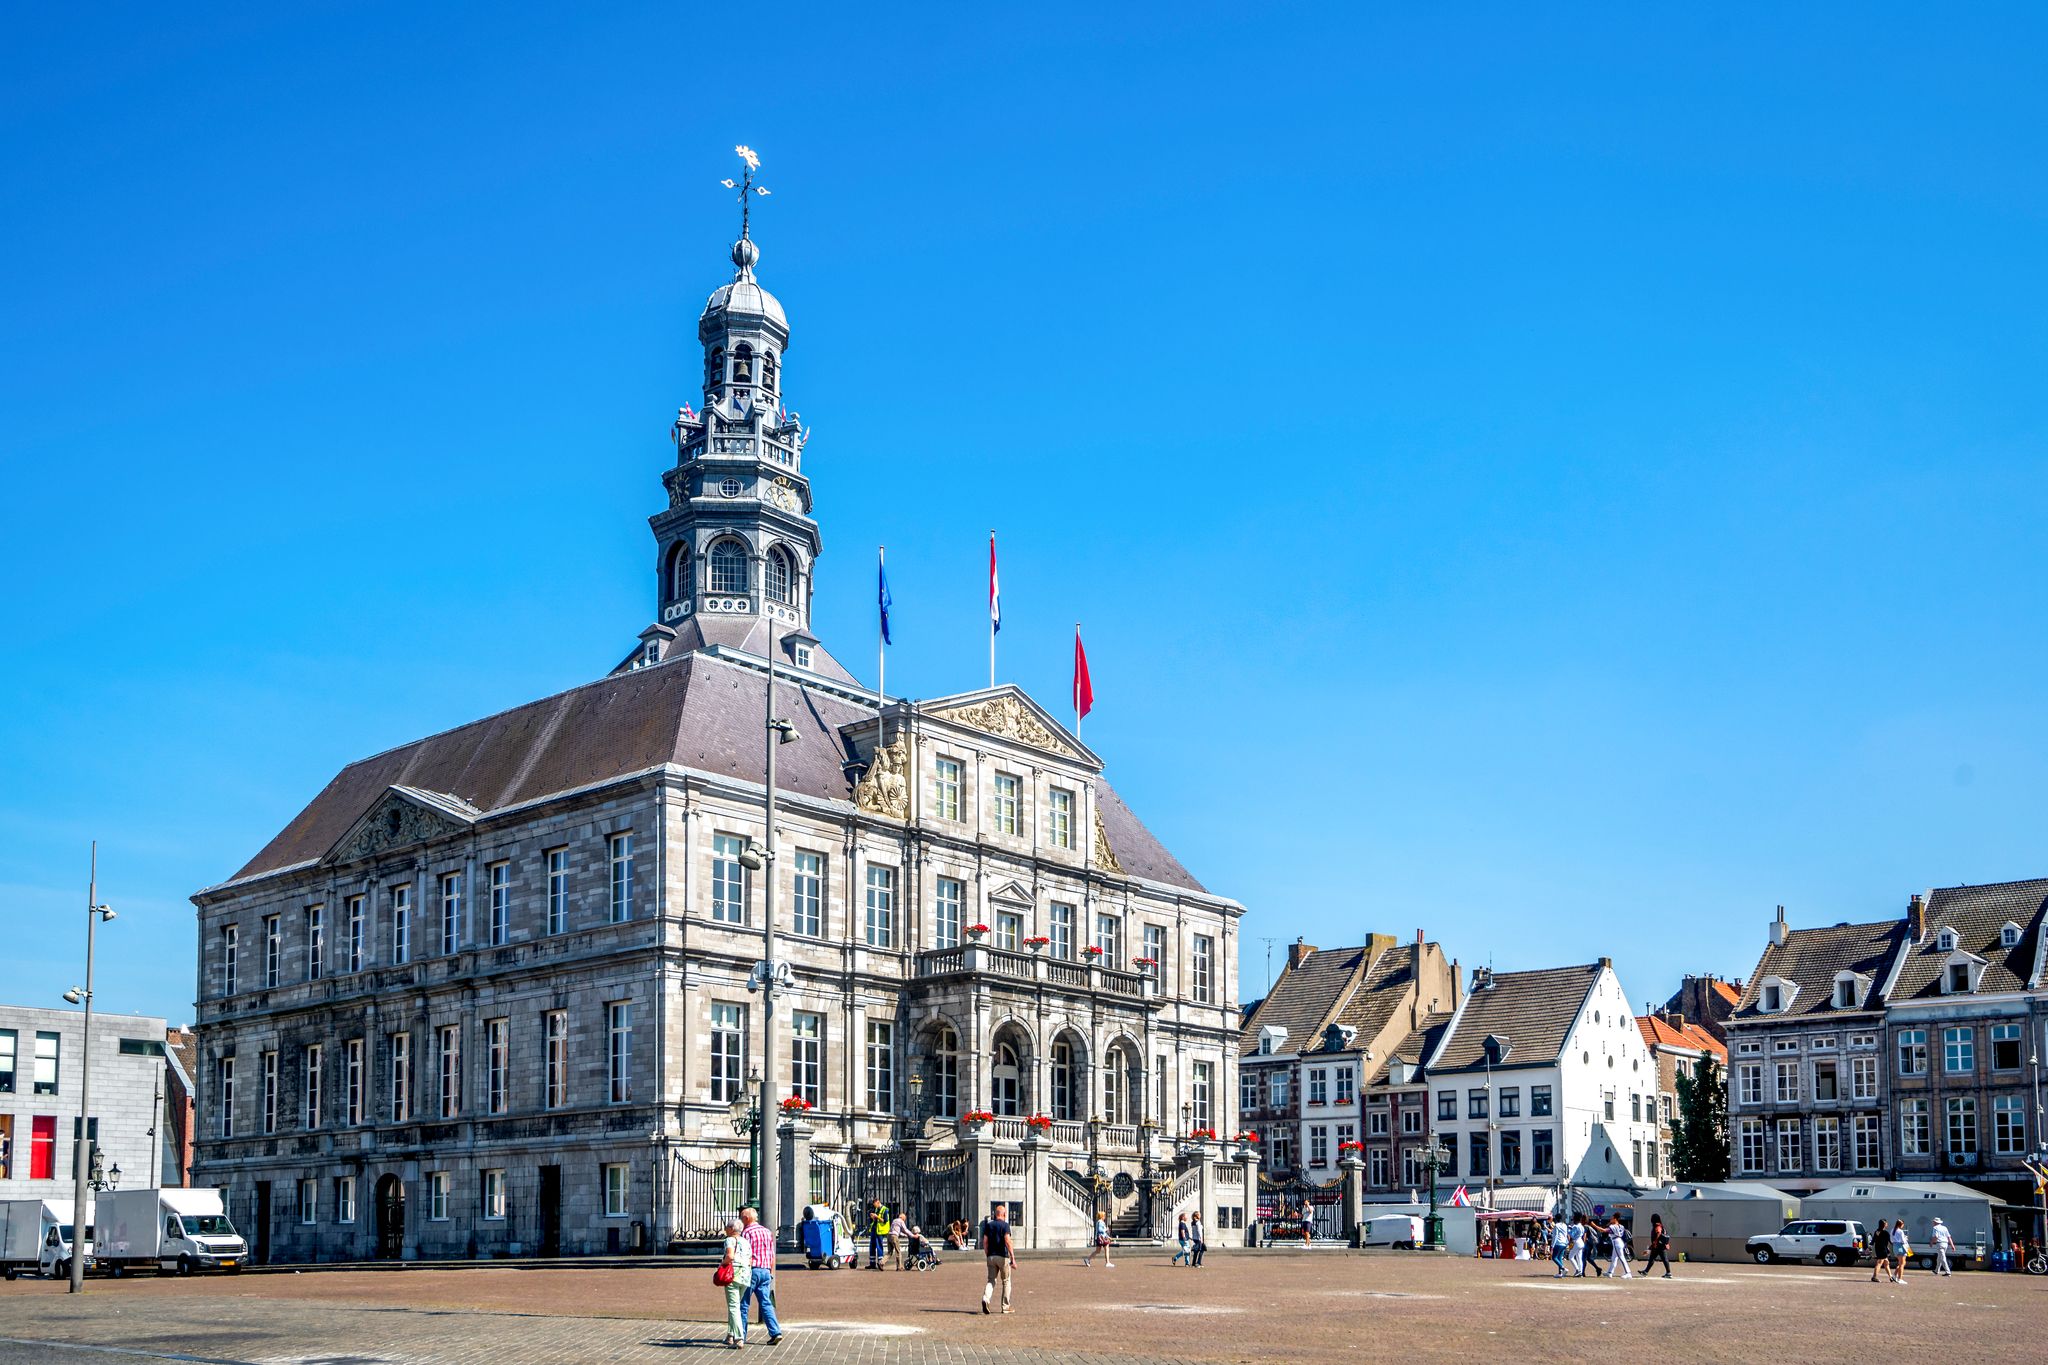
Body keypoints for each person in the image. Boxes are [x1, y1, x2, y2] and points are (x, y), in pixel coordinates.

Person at [737, 1205, 783, 1346]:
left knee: (743, 1304)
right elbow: (771, 1254)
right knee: (765, 1303)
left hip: (752, 1271)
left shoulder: (746, 1233)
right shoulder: (767, 1232)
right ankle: (775, 1332)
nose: (740, 1220)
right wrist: (771, 1272)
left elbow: (745, 1254)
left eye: (741, 1218)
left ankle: (741, 1336)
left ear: (746, 1218)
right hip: (765, 1270)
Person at [719, 1216, 753, 1350]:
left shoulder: (729, 1240)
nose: (725, 1229)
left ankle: (739, 1338)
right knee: (735, 1304)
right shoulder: (746, 1241)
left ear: (732, 1229)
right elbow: (750, 1259)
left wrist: (722, 1264)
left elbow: (730, 1256)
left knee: (733, 1306)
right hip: (746, 1275)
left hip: (733, 1275)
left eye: (727, 1227)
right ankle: (730, 1334)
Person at [980, 1201, 1016, 1315]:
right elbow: (1007, 1241)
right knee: (1006, 1281)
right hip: (1002, 1256)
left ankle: (986, 1298)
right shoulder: (1005, 1225)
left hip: (991, 1256)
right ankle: (1005, 1306)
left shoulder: (989, 1225)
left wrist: (987, 1254)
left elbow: (984, 1242)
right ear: (1004, 1214)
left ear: (996, 1214)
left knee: (991, 1280)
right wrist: (1013, 1258)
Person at [1640, 1214, 1672, 1278]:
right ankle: (1668, 1273)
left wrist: (1655, 1241)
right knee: (1661, 1259)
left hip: (1658, 1246)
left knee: (1653, 1259)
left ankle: (1646, 1272)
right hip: (1661, 1245)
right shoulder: (1661, 1226)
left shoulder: (1657, 1226)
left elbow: (1659, 1233)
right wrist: (1666, 1243)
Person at [868, 1200, 889, 1270]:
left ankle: (881, 1263)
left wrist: (877, 1217)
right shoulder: (877, 1209)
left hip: (880, 1231)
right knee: (872, 1246)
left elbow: (885, 1220)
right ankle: (872, 1264)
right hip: (874, 1230)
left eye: (875, 1205)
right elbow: (875, 1220)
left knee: (879, 1246)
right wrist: (873, 1217)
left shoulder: (885, 1209)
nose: (875, 1207)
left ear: (878, 1202)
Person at [1869, 1220, 1891, 1284]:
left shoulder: (1877, 1231)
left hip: (1878, 1249)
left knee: (1886, 1263)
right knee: (1879, 1263)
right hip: (1883, 1250)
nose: (1887, 1224)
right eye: (1886, 1223)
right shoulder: (1886, 1233)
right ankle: (1874, 1277)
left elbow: (1873, 1241)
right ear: (1884, 1224)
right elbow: (1890, 1241)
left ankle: (1891, 1277)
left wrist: (1869, 1246)